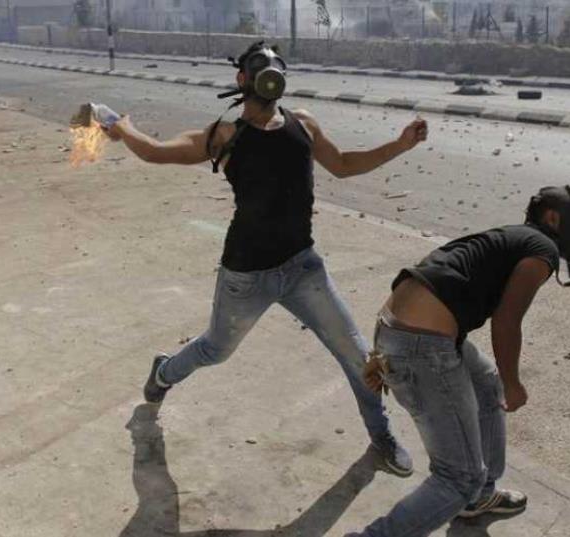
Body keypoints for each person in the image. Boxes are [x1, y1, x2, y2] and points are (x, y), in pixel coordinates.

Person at [99, 41, 429, 477]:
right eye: (260, 66)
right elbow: (158, 151)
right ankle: (164, 373)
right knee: (215, 350)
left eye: (276, 65)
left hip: (302, 267)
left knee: (358, 355)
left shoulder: (303, 124)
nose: (270, 72)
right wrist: (124, 128)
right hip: (246, 276)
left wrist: (400, 145)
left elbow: (345, 165)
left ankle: (380, 434)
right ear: (243, 78)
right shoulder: (225, 135)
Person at [354, 186, 570, 536]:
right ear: (553, 218)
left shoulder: (516, 237)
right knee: (458, 478)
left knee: (484, 382)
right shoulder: (543, 250)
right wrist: (514, 382)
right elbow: (507, 320)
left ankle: (480, 497)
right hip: (421, 345)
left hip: (400, 330)